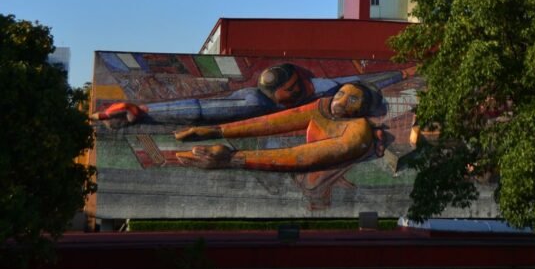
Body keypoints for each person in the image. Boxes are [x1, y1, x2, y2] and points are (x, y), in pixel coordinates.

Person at [90, 63, 396, 127]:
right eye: (288, 90)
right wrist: (145, 111)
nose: (295, 91)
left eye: (294, 86)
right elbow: (203, 109)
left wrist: (401, 75)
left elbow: (353, 80)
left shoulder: (322, 86)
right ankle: (138, 112)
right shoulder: (256, 101)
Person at [174, 82, 377, 172]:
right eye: (340, 94)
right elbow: (270, 123)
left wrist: (232, 158)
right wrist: (214, 130)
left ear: (363, 108)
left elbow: (302, 156)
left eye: (353, 99)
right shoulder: (322, 107)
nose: (341, 101)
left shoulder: (358, 131)